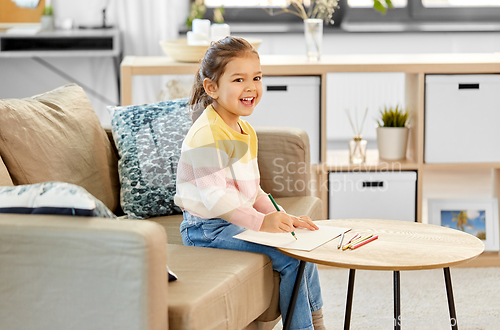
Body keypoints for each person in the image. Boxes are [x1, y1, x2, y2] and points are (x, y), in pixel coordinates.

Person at [175, 36, 325, 330]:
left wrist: (280, 216)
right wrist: (260, 223)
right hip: (205, 229)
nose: (251, 87)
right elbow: (214, 199)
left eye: (256, 77)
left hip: (233, 221)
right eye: (239, 79)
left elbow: (252, 189)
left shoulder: (245, 130)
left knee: (303, 248)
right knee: (289, 257)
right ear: (212, 88)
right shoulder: (206, 134)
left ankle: (317, 322)